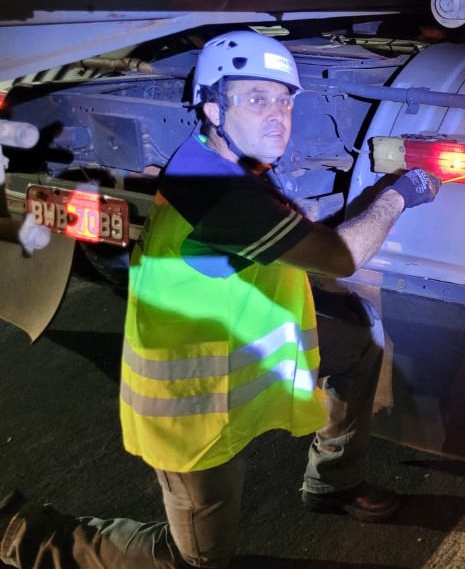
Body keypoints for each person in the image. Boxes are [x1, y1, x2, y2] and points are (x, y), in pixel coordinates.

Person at [0, 30, 442, 568]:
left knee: (355, 346)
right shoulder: (215, 189)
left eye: (284, 99)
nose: (278, 114)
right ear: (211, 106)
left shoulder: (217, 161)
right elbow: (343, 257)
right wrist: (402, 192)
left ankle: (334, 481)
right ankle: (25, 536)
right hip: (192, 406)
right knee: (199, 559)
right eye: (256, 99)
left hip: (243, 347)